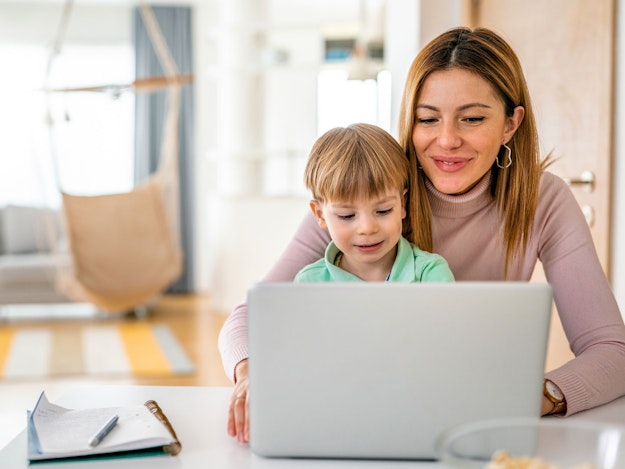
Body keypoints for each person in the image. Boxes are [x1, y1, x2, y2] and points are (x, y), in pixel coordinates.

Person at [219, 26, 625, 444]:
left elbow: (613, 351)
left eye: (472, 118)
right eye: (428, 119)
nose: (447, 140)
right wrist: (251, 373)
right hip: (364, 421)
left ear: (510, 123)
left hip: (470, 430)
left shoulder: (545, 200)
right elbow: (246, 318)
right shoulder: (371, 196)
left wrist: (530, 397)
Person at [294, 123, 454, 283]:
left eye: (384, 211)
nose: (367, 228)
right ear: (320, 215)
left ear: (402, 204)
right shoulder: (309, 282)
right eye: (347, 215)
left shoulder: (430, 274)